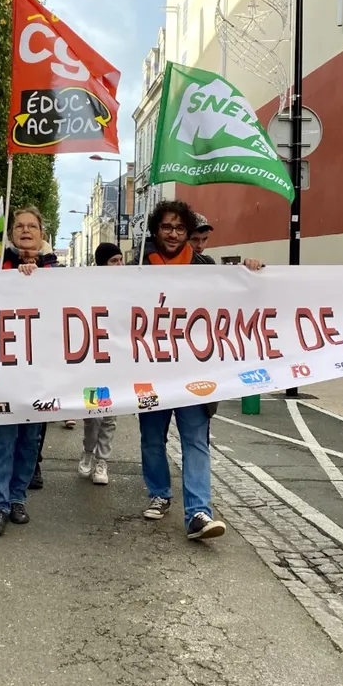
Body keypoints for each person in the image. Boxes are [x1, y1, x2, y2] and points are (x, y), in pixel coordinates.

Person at [135, 200, 263, 540]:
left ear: (188, 232)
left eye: (179, 228)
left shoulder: (206, 266)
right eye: (167, 227)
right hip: (151, 369)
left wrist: (248, 271)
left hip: (194, 372)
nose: (173, 234)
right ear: (156, 231)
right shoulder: (137, 268)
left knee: (195, 440)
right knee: (151, 438)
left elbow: (236, 298)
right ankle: (160, 493)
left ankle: (198, 513)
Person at [0, 206, 58, 536]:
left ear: (43, 235)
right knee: (1, 438)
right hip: (2, 369)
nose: (26, 231)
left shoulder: (59, 272)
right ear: (11, 233)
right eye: (19, 226)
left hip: (40, 370)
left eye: (32, 226)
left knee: (30, 439)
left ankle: (17, 498)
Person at [79, 242, 126, 486]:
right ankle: (88, 451)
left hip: (117, 363)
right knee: (94, 413)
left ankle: (102, 460)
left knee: (110, 416)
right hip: (95, 361)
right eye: (113, 261)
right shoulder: (90, 290)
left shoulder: (128, 290)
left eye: (121, 260)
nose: (119, 265)